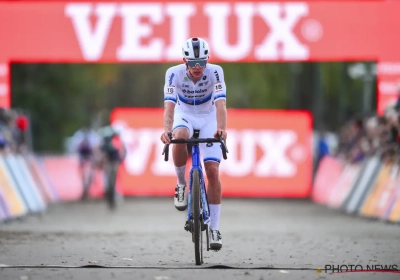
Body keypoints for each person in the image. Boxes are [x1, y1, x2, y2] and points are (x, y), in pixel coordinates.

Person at [160, 37, 227, 250]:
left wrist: (221, 128)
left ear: (207, 60)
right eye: (193, 63)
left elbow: (221, 104)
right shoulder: (173, 73)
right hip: (185, 113)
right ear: (184, 61)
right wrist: (166, 131)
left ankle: (214, 228)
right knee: (179, 135)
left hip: (209, 117)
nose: (198, 68)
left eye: (202, 62)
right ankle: (181, 184)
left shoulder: (215, 71)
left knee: (213, 171)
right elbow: (169, 108)